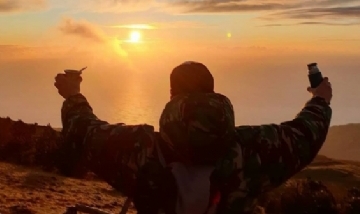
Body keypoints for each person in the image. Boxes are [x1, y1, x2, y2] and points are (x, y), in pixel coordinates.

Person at [54, 61, 332, 214]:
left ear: (173, 96)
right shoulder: (252, 151)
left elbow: (85, 131)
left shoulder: (139, 149)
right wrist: (320, 99)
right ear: (213, 94)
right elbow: (304, 135)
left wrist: (74, 94)